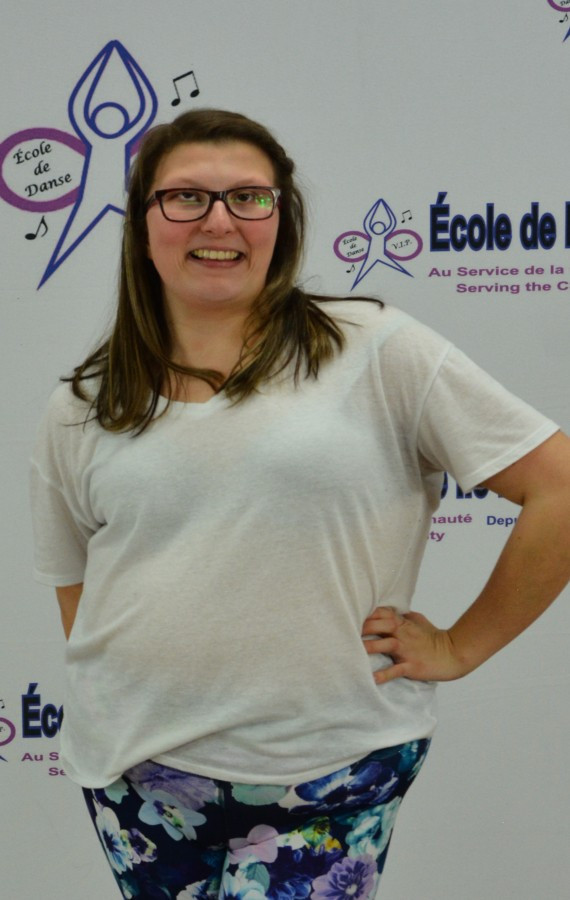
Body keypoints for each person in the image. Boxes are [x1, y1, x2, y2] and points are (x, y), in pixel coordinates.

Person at [30, 108, 570, 900]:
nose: (219, 220)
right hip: (137, 781)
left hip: (328, 775)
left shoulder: (375, 349)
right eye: (186, 197)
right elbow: (79, 588)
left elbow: (558, 487)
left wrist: (462, 646)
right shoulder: (84, 403)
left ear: (281, 221)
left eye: (249, 197)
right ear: (143, 226)